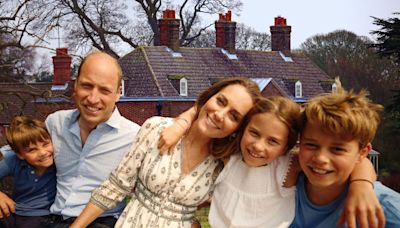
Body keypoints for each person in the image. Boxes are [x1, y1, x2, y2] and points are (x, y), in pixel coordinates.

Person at [160, 95, 385, 228]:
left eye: (273, 141)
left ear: (287, 146)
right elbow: (204, 113)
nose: (259, 147)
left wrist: (361, 186)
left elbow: (356, 159)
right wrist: (181, 123)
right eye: (254, 133)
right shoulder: (227, 155)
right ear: (242, 129)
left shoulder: (290, 164)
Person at [70, 77, 261, 227]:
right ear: (209, 96)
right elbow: (115, 187)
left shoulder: (223, 164)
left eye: (233, 116)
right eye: (220, 101)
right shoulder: (157, 128)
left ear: (238, 128)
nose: (220, 115)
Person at [42, 51, 141, 227]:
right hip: (52, 220)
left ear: (118, 93)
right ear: (75, 85)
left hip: (103, 222)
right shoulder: (55, 123)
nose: (93, 99)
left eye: (104, 90)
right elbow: (13, 154)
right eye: (87, 86)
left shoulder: (135, 137)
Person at [290, 80, 400, 228]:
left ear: (362, 152)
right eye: (311, 145)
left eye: (337, 149)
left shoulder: (385, 209)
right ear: (299, 142)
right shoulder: (281, 184)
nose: (321, 158)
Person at [0, 116, 56, 228]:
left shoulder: (59, 158)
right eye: (32, 150)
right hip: (20, 212)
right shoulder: (12, 160)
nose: (43, 152)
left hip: (50, 215)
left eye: (45, 144)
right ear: (20, 154)